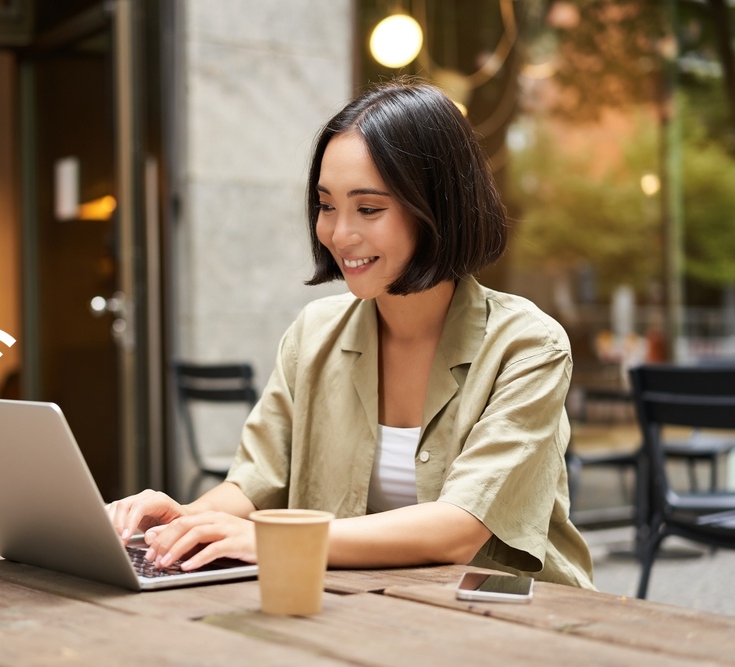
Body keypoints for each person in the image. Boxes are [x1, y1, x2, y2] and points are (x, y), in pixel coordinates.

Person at [108, 78, 595, 589]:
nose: (339, 234)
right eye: (326, 205)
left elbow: (457, 529)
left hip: (515, 623)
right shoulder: (313, 334)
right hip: (366, 611)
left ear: (438, 210)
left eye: (368, 208)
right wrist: (182, 523)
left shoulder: (528, 346)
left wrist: (280, 541)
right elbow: (255, 485)